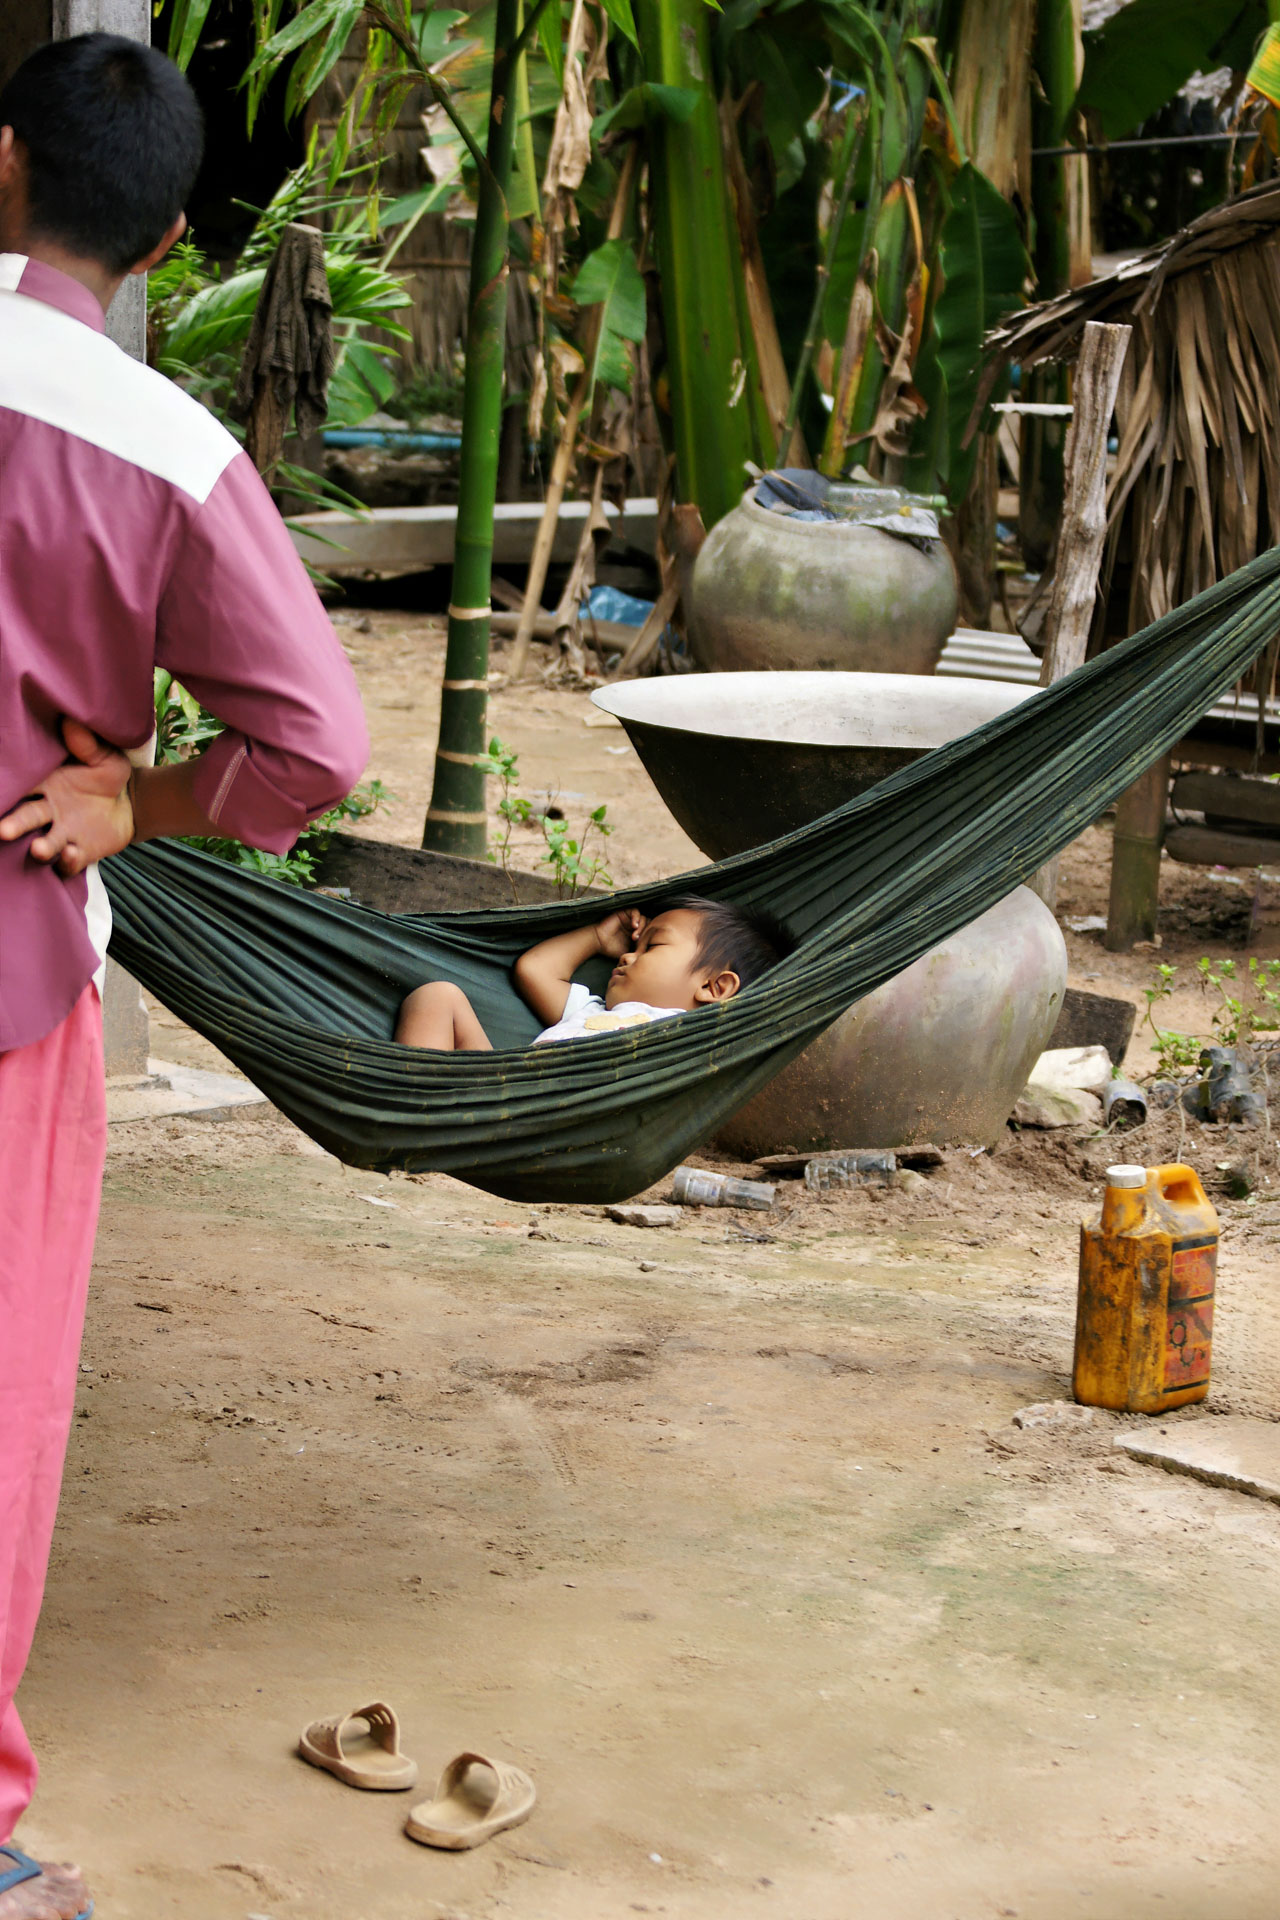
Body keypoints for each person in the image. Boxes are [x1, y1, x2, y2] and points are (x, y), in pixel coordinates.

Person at [0, 33, 368, 1919]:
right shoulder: (159, 445)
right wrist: (139, 803)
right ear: (160, 247)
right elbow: (314, 744)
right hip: (11, 978)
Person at [395, 895, 791, 1050]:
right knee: (437, 996)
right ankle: (415, 1101)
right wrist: (597, 938)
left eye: (650, 947)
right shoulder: (593, 1011)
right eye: (633, 948)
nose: (627, 958)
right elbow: (534, 970)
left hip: (558, 1121)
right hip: (498, 1093)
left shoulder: (688, 1041)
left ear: (714, 986)